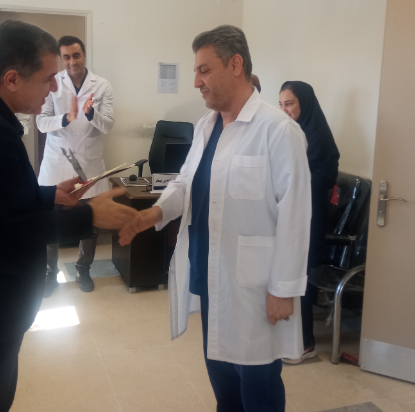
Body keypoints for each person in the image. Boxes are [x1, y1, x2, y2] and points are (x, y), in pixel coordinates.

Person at [0, 20, 137, 412]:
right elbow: (17, 227)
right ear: (13, 79)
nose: (54, 88)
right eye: (48, 78)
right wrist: (90, 215)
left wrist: (50, 194)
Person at [118, 25, 309, 410]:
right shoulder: (206, 127)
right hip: (210, 275)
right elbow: (185, 183)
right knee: (223, 384)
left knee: (258, 388)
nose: (196, 82)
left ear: (235, 65)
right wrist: (153, 213)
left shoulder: (278, 131)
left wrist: (283, 288)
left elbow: (296, 213)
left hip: (255, 286)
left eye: (204, 70)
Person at [35, 36, 115, 294]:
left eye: (76, 55)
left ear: (84, 55)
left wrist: (91, 114)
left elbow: (108, 126)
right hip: (57, 161)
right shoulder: (52, 83)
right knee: (51, 221)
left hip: (89, 161)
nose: (72, 62)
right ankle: (50, 273)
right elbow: (41, 123)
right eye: (66, 57)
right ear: (62, 59)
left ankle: (83, 269)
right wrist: (65, 118)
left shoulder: (102, 85)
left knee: (89, 220)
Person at [276, 80, 340, 365]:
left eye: (289, 104)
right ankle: (287, 336)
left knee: (299, 274)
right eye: (280, 104)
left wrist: (291, 184)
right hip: (288, 213)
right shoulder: (287, 133)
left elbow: (324, 179)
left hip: (310, 218)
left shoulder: (319, 137)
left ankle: (305, 343)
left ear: (305, 104)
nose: (284, 110)